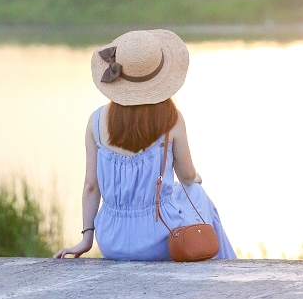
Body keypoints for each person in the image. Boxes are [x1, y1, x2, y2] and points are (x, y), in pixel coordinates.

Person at [54, 29, 236, 260]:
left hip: (112, 241)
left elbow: (91, 186)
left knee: (183, 192)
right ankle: (226, 270)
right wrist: (196, 179)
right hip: (159, 239)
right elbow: (187, 176)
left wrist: (86, 240)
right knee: (195, 192)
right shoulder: (172, 120)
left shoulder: (96, 120)